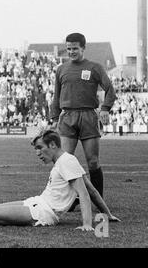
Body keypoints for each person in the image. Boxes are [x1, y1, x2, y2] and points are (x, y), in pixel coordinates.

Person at [50, 33, 116, 203]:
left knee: (92, 161)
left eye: (75, 48)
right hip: (67, 118)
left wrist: (105, 109)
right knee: (64, 161)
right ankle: (68, 200)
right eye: (69, 48)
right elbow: (56, 96)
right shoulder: (61, 69)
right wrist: (54, 117)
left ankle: (98, 200)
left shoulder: (95, 67)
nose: (71, 52)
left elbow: (110, 90)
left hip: (88, 116)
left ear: (83, 48)